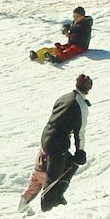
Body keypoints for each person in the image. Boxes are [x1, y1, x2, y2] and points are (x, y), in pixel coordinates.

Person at [38, 72, 92, 210]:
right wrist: (80, 151)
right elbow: (79, 132)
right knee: (54, 177)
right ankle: (48, 206)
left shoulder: (64, 97)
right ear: (88, 88)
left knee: (69, 164)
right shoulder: (81, 104)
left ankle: (57, 198)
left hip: (46, 136)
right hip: (58, 142)